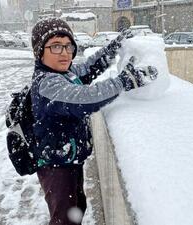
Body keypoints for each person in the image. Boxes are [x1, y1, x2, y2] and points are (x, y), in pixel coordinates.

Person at [30, 18, 158, 225]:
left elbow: (90, 67)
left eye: (68, 45)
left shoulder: (65, 72)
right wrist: (125, 81)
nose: (64, 52)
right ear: (39, 51)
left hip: (68, 157)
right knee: (64, 218)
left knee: (77, 207)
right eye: (55, 46)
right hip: (56, 166)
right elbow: (87, 98)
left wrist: (113, 48)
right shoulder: (48, 84)